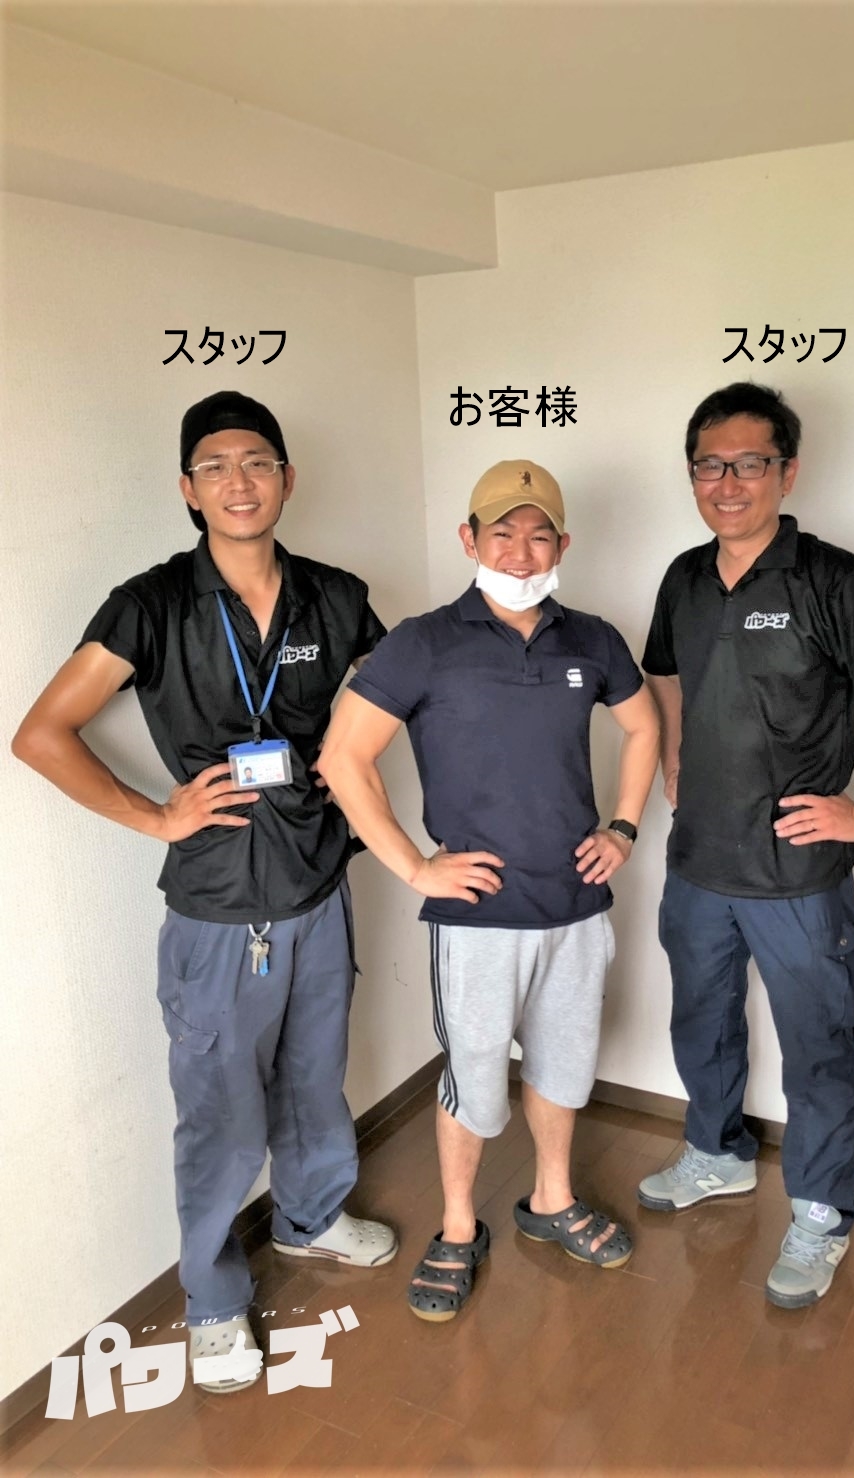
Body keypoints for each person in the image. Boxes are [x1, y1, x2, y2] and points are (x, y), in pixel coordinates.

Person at [12, 391, 396, 1391]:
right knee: (220, 1112)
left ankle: (311, 1217)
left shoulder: (335, 597)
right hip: (219, 907)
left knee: (314, 1076)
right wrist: (156, 816)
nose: (239, 481)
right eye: (216, 466)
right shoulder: (150, 605)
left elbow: (406, 693)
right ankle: (214, 1299)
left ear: (287, 478)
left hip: (318, 884)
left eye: (257, 461)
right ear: (188, 489)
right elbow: (41, 734)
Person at [319, 460, 660, 1322]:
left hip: (575, 906)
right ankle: (458, 1226)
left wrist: (623, 827)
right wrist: (414, 866)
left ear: (563, 545)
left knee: (562, 1068)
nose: (520, 551)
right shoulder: (423, 642)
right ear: (468, 540)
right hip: (475, 917)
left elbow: (644, 724)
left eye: (539, 534)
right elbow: (342, 757)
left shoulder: (594, 640)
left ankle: (552, 1199)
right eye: (502, 533)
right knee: (473, 1077)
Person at [638, 382, 854, 1308]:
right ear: (692, 474)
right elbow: (665, 674)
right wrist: (676, 756)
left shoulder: (833, 579)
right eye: (711, 466)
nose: (728, 483)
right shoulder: (684, 578)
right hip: (699, 864)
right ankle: (717, 1152)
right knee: (701, 1020)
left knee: (819, 1045)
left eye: (750, 464)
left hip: (796, 876)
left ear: (788, 472)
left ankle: (820, 1211)